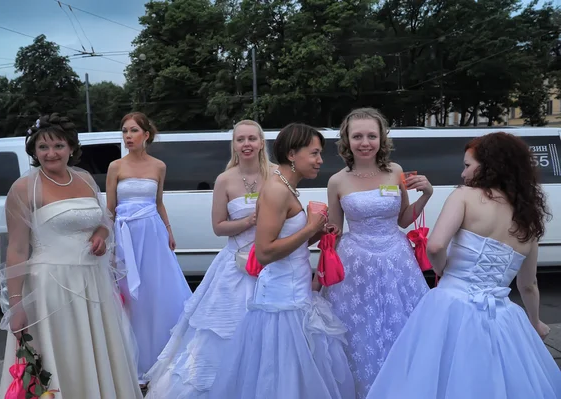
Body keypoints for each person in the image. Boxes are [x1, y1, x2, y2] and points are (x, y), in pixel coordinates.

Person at [366, 132, 561, 399]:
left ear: (490, 165)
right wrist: (536, 322)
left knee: (433, 377)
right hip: (501, 314)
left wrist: (443, 269)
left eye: (468, 165)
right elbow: (528, 285)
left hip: (451, 305)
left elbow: (435, 246)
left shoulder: (465, 196)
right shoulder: (528, 218)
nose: (462, 173)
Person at [0, 113, 142, 399]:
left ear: (71, 148)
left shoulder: (85, 179)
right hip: (50, 288)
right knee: (58, 355)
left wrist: (101, 234)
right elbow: (16, 249)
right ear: (34, 151)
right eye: (43, 147)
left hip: (92, 283)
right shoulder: (24, 189)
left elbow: (103, 220)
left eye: (58, 146)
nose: (51, 153)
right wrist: (16, 306)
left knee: (98, 351)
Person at [208, 123, 356, 399]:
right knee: (281, 375)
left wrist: (317, 233)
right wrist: (310, 228)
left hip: (294, 296)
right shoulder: (277, 190)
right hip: (281, 304)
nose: (320, 160)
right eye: (314, 153)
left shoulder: (285, 186)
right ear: (292, 154)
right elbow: (264, 252)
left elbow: (290, 245)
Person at [144, 119, 274, 398]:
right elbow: (218, 227)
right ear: (234, 145)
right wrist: (250, 221)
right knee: (222, 334)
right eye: (241, 139)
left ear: (262, 142)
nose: (247, 144)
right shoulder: (225, 179)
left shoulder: (276, 175)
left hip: (272, 265)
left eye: (252, 138)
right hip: (234, 268)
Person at [320, 107, 432, 398]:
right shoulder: (337, 181)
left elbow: (404, 219)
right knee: (360, 333)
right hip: (355, 263)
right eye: (357, 136)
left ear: (382, 139)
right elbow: (335, 230)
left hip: (397, 259)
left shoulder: (395, 171)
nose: (365, 142)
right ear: (347, 140)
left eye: (372, 135)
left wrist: (427, 195)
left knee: (403, 328)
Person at [106, 112, 192, 389]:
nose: (127, 136)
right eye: (124, 131)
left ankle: (160, 359)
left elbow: (158, 202)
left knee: (156, 293)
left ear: (146, 134)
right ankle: (131, 363)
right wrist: (108, 243)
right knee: (130, 296)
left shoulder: (159, 166)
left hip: (152, 235)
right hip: (124, 236)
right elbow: (110, 209)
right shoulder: (115, 166)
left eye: (133, 130)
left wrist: (169, 230)